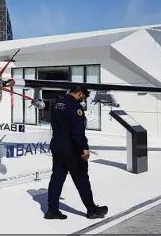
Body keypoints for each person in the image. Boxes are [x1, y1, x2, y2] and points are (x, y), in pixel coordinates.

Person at [45, 85, 108, 220]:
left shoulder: (57, 104)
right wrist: (84, 147)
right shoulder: (75, 107)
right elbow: (77, 131)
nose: (83, 100)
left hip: (57, 145)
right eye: (83, 97)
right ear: (80, 93)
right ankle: (92, 210)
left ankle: (52, 210)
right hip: (71, 148)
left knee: (57, 178)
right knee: (81, 179)